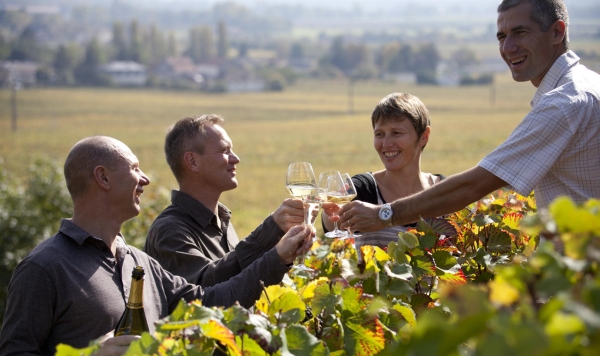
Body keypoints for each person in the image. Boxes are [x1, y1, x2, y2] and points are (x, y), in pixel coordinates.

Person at [0, 136, 313, 356]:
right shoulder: (44, 267)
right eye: (135, 168)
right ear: (103, 178)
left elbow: (212, 302)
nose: (146, 178)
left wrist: (277, 256)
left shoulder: (138, 262)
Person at [335, 0, 600, 234]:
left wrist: (385, 214)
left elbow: (476, 185)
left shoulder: (563, 104)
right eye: (501, 36)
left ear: (557, 32)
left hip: (582, 278)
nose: (508, 47)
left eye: (520, 32)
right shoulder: (589, 85)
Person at [144, 114, 305, 286]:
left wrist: (282, 252)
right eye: (224, 150)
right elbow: (206, 291)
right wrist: (270, 229)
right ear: (192, 162)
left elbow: (242, 280)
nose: (236, 159)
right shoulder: (169, 231)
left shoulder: (221, 220)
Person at [322, 93, 444, 249]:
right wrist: (331, 215)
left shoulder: (443, 190)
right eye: (379, 134)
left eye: (396, 133)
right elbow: (332, 226)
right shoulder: (363, 188)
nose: (386, 144)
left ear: (424, 137)